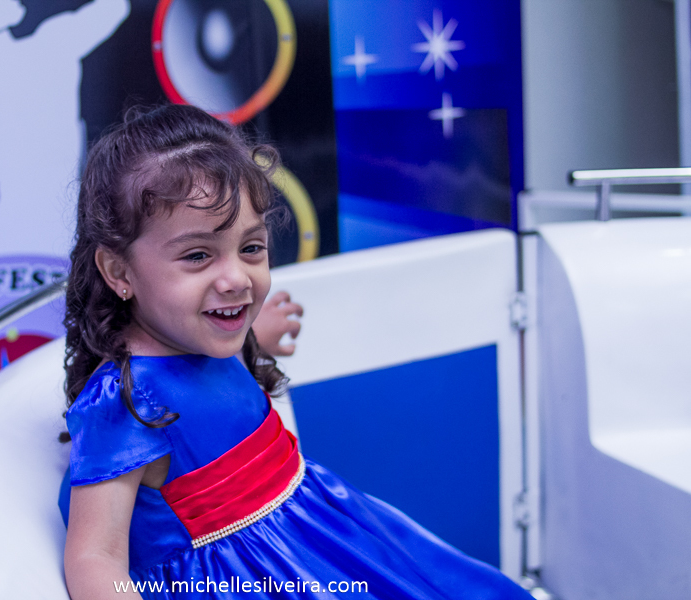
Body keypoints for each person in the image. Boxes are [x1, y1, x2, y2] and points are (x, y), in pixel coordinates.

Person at [60, 104, 531, 599]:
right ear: (119, 272)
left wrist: (251, 334)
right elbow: (95, 557)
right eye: (198, 256)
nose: (236, 279)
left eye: (251, 248)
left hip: (323, 533)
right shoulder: (125, 402)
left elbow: (208, 387)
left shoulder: (198, 339)